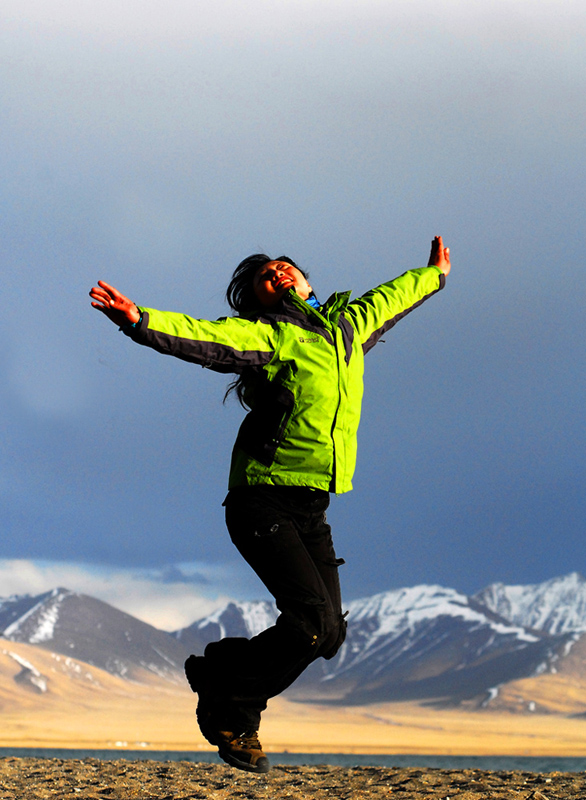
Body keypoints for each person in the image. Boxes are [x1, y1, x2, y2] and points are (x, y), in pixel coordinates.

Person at [89, 236, 451, 773]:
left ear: (306, 281)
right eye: (265, 277)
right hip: (261, 499)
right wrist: (139, 319)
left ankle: (219, 668)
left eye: (285, 268)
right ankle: (232, 712)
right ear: (260, 299)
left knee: (328, 634)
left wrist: (434, 275)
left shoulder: (347, 328)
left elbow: (390, 298)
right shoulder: (269, 334)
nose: (278, 274)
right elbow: (205, 336)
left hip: (311, 504)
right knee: (308, 622)